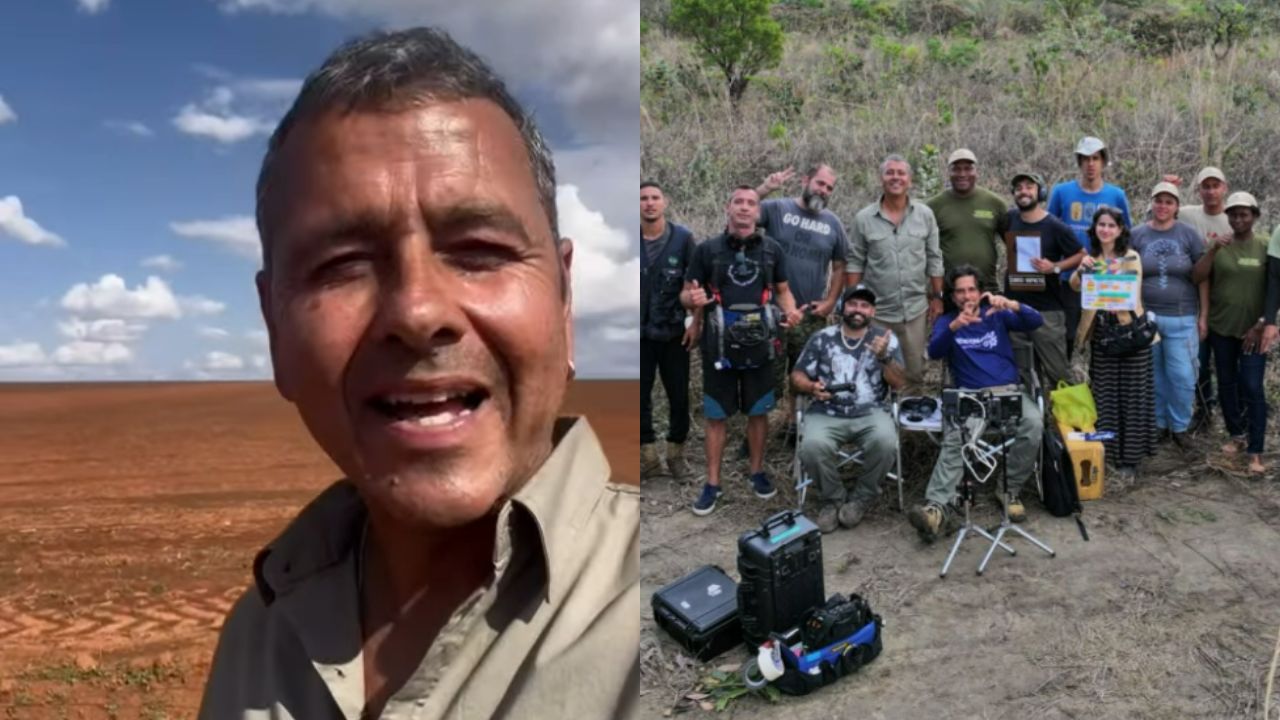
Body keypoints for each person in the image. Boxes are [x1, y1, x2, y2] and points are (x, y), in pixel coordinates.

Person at [198, 28, 639, 719]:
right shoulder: (259, 635)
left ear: (564, 301)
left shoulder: (647, 616)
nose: (417, 310)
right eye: (341, 263)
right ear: (274, 327)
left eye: (480, 249)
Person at [683, 186, 804, 516]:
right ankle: (712, 483)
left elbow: (783, 290)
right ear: (728, 207)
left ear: (758, 212)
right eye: (739, 202)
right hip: (718, 346)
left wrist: (790, 312)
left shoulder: (772, 250)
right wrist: (690, 303)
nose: (745, 208)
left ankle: (757, 472)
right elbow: (687, 292)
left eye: (752, 203)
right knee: (715, 415)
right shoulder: (707, 251)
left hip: (761, 345)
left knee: (758, 412)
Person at [908, 265, 1045, 542]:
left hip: (1008, 391)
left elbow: (1035, 321)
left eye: (972, 289)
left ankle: (1009, 489)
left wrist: (1012, 303)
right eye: (960, 290)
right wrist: (956, 326)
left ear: (981, 291)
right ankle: (937, 509)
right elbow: (934, 351)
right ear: (953, 295)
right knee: (957, 437)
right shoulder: (947, 321)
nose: (967, 295)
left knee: (1033, 422)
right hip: (971, 397)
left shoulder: (997, 315)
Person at [792, 284, 905, 534]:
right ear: (843, 307)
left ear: (872, 311)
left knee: (886, 442)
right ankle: (832, 499)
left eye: (865, 305)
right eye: (853, 303)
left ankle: (862, 498)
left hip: (871, 412)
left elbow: (899, 383)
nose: (858, 310)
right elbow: (796, 376)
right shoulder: (822, 338)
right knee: (811, 447)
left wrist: (884, 357)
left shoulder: (885, 339)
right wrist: (811, 387)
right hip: (826, 411)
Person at [755, 163, 849, 443]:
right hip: (771, 312)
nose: (823, 190)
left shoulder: (832, 223)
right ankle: (755, 438)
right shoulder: (777, 208)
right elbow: (740, 214)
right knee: (764, 378)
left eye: (829, 187)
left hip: (810, 315)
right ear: (806, 180)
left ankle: (796, 431)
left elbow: (841, 265)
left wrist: (831, 301)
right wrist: (764, 188)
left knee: (805, 376)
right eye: (820, 183)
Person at [1072, 207, 1159, 478]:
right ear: (1095, 229)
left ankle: (1130, 460)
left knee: (1133, 399)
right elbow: (1076, 285)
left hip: (1131, 335)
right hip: (1102, 337)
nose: (1106, 229)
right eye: (1101, 225)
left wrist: (1095, 272)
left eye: (1111, 225)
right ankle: (1107, 451)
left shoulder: (1131, 256)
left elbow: (1124, 289)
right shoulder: (1090, 258)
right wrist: (1081, 268)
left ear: (1120, 230)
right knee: (1106, 397)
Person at [847, 154, 945, 394]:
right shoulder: (864, 219)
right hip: (878, 311)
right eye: (890, 172)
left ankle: (909, 423)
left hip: (915, 311)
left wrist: (937, 297)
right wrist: (852, 303)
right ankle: (878, 420)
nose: (895, 177)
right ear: (881, 178)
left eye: (901, 173)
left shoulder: (924, 215)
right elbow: (855, 262)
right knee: (873, 369)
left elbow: (934, 257)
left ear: (910, 180)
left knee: (913, 373)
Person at [1192, 192, 1270, 475]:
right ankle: (1237, 435)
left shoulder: (1265, 246)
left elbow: (1275, 289)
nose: (1238, 219)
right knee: (1225, 383)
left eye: (1244, 214)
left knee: (1251, 386)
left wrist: (1263, 323)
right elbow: (1197, 276)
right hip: (1221, 328)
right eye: (1234, 214)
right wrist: (1212, 249)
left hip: (1254, 332)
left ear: (1255, 216)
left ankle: (1256, 451)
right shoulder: (1221, 246)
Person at [1129, 182, 1204, 449]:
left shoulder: (1189, 235)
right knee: (1155, 375)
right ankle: (1160, 424)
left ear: (1177, 207)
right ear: (1151, 203)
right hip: (1147, 317)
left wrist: (1203, 315)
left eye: (1169, 202)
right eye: (1158, 200)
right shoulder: (1136, 234)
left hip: (1182, 317)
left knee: (1183, 374)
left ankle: (1180, 425)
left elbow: (1202, 276)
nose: (1163, 206)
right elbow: (1126, 273)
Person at [1047, 136, 1132, 355]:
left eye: (1095, 158)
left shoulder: (1116, 195)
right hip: (1069, 278)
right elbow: (1049, 232)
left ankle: (1100, 387)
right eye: (1085, 159)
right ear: (1079, 162)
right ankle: (1064, 386)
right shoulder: (1061, 192)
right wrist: (1055, 267)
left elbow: (1126, 236)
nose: (1090, 164)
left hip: (1105, 277)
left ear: (1103, 161)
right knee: (1066, 337)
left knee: (1103, 338)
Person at [1004, 171, 1084, 390]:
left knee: (1059, 374)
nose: (1024, 191)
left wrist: (1055, 267)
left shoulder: (1056, 226)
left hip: (1046, 313)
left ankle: (1074, 422)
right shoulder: (1009, 219)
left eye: (1029, 186)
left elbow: (1081, 255)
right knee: (1023, 375)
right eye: (1019, 188)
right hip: (1015, 309)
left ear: (1040, 192)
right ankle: (1035, 421)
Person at [640, 181, 699, 479]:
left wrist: (693, 323)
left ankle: (676, 454)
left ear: (665, 202)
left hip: (675, 333)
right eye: (643, 199)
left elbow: (695, 286)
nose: (649, 203)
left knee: (679, 395)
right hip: (637, 336)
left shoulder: (683, 239)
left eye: (655, 198)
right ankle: (648, 457)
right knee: (639, 396)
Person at [1175, 167, 1231, 433]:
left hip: (1225, 299)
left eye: (1215, 185)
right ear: (1199, 190)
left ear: (1224, 188)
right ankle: (1203, 409)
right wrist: (1167, 185)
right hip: (1191, 296)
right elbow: (1159, 214)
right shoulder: (1187, 214)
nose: (1210, 191)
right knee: (1197, 359)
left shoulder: (1233, 218)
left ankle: (1229, 410)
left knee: (1223, 361)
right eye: (1205, 186)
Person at [927, 148, 1011, 293]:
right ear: (949, 173)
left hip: (987, 289)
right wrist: (934, 293)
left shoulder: (995, 203)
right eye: (957, 169)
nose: (962, 174)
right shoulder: (933, 206)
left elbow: (1014, 246)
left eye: (968, 168)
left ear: (976, 172)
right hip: (949, 291)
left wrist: (1018, 286)